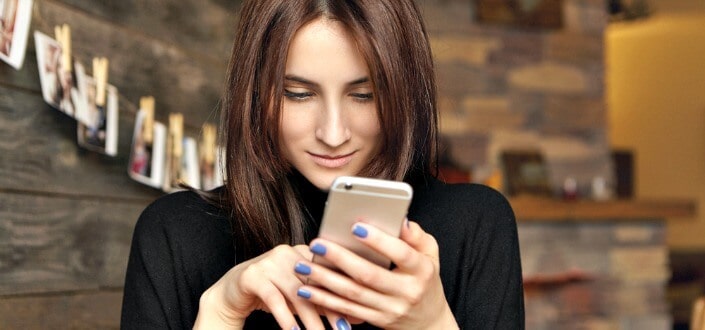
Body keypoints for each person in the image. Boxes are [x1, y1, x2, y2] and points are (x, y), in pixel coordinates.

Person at [120, 0, 525, 329]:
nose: (333, 133)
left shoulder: (475, 223)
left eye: (363, 95)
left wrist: (432, 322)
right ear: (255, 92)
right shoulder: (173, 233)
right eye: (299, 94)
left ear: (404, 93)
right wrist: (221, 313)